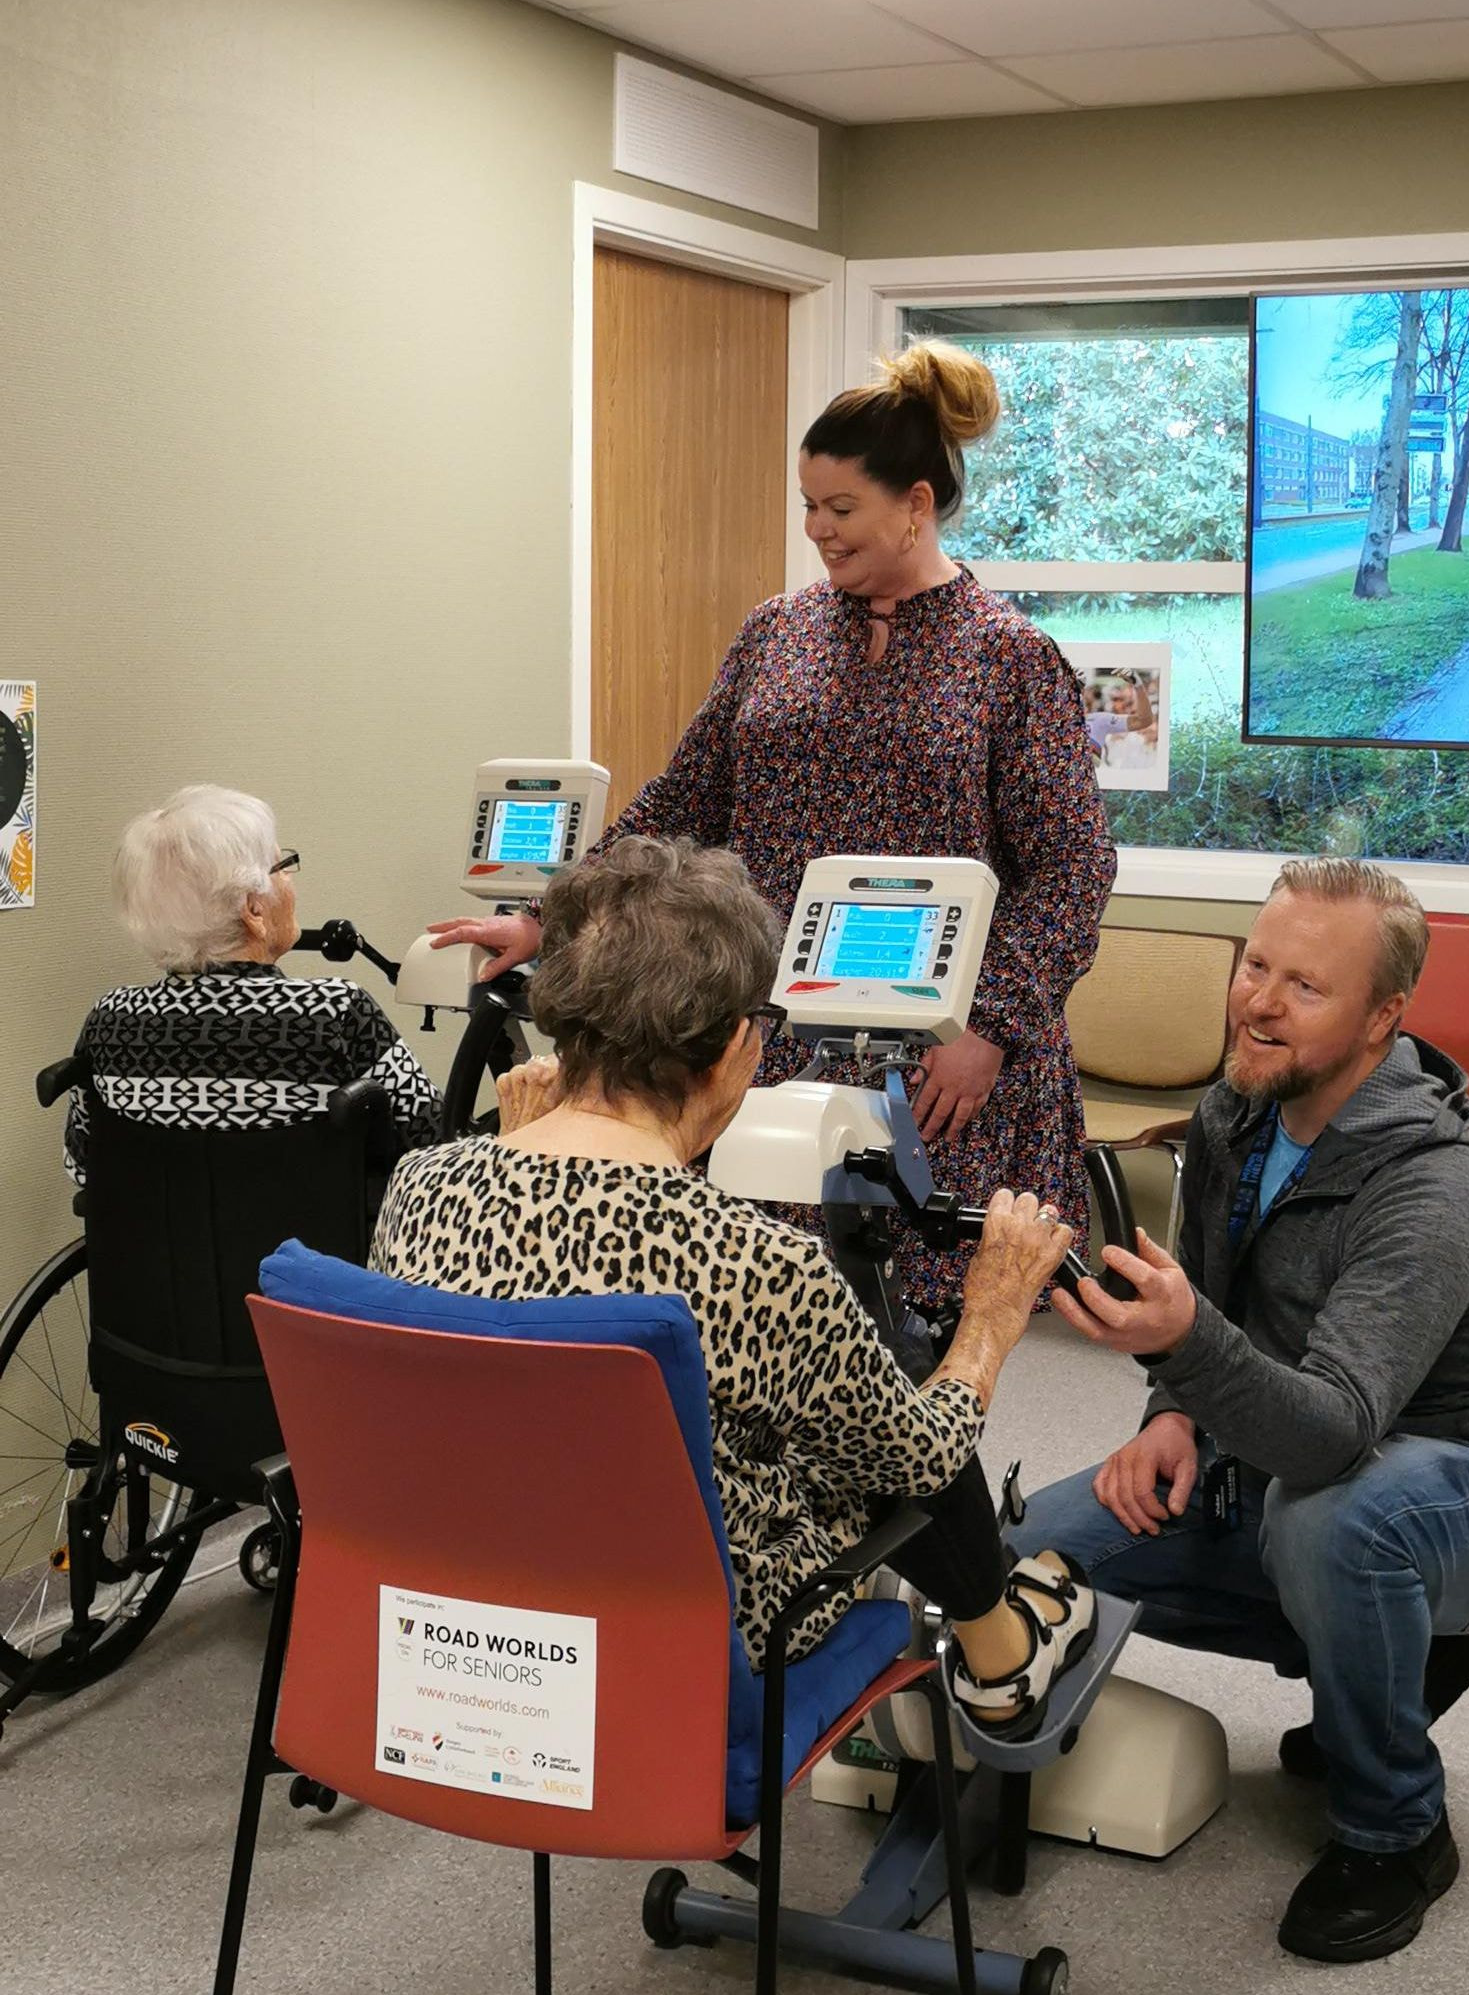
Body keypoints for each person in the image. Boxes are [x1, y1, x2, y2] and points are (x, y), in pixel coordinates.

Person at [429, 341, 1115, 1310]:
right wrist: (551, 916)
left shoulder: (1009, 656)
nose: (817, 530)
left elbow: (1074, 867)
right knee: (759, 1308)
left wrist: (993, 1026)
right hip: (777, 1040)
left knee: (918, 1330)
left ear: (915, 502)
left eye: (841, 508)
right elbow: (681, 803)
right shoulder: (776, 632)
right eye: (809, 505)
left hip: (946, 1052)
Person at [1012, 857, 1469, 1963]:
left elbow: (1332, 1426)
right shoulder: (1239, 1109)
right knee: (1034, 1554)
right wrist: (1171, 1412)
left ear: (1384, 1015)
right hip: (1298, 1456)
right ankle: (1389, 1652)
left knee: (1338, 1526)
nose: (1260, 1001)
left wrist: (1189, 1344)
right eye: (1258, 966)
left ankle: (1396, 1830)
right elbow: (1215, 1306)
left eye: (1305, 987)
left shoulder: (1429, 1183)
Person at [373, 836, 1096, 1729]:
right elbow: (923, 1457)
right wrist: (988, 1315)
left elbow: (530, 1309)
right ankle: (1005, 1654)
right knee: (896, 1379)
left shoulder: (422, 1185)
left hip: (473, 1627)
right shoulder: (762, 1264)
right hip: (697, 1647)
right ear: (726, 1054)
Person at [65, 784, 440, 1182]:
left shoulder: (111, 1019)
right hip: (321, 1246)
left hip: (146, 1244)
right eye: (282, 867)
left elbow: (82, 1166)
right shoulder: (335, 1012)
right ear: (254, 908)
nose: (291, 883)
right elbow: (433, 1145)